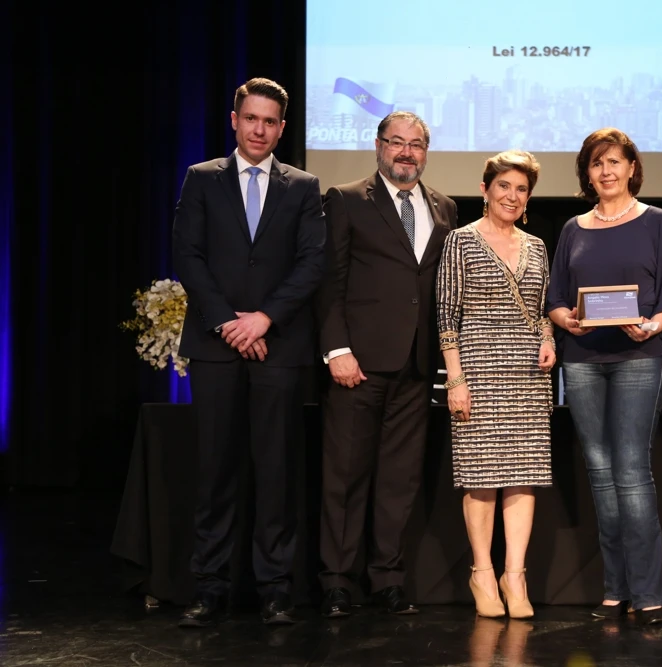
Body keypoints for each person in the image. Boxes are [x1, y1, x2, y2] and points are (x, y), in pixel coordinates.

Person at [172, 77, 326, 627]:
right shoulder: (201, 178)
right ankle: (209, 587)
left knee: (277, 470)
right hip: (216, 348)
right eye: (251, 119)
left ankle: (276, 589)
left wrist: (264, 318)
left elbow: (312, 261)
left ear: (282, 129)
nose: (260, 129)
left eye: (270, 121)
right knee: (215, 469)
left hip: (278, 346)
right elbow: (187, 255)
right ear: (234, 121)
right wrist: (227, 322)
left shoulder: (303, 186)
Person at [314, 111, 457, 616]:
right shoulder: (347, 198)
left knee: (400, 479)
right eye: (396, 142)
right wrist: (337, 350)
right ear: (378, 146)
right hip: (358, 364)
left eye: (415, 144)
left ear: (426, 151)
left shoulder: (444, 207)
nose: (406, 152)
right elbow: (329, 281)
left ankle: (388, 579)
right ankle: (336, 582)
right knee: (346, 477)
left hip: (416, 365)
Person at [548, 128, 662, 625]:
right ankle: (615, 590)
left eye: (614, 162)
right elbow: (556, 298)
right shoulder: (573, 228)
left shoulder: (657, 222)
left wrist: (652, 325)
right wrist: (566, 320)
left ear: (632, 168)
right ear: (587, 173)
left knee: (630, 470)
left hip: (639, 356)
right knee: (600, 471)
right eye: (596, 163)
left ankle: (648, 593)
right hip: (582, 358)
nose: (606, 171)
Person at [436, 150, 555, 619]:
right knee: (482, 478)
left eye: (521, 189)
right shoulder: (461, 241)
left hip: (528, 376)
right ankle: (483, 572)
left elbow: (543, 310)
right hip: (479, 374)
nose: (512, 195)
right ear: (485, 190)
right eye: (504, 186)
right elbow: (447, 316)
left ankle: (515, 575)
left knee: (523, 477)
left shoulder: (537, 246)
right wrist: (456, 381)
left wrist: (548, 339)